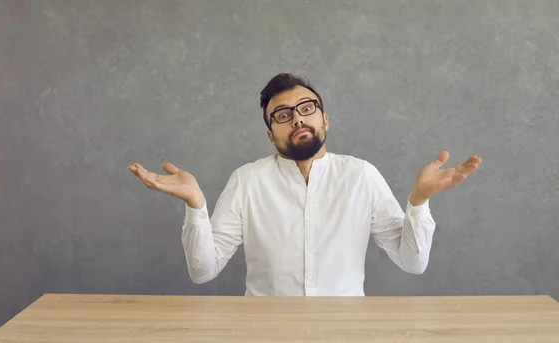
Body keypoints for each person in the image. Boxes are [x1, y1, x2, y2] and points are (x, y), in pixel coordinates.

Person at [129, 73, 481, 296]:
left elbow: (413, 262)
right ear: (271, 135)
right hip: (264, 335)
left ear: (324, 119)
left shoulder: (362, 176)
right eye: (283, 114)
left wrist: (418, 201)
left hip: (347, 333)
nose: (297, 117)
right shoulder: (247, 181)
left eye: (307, 107)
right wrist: (195, 205)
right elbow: (203, 272)